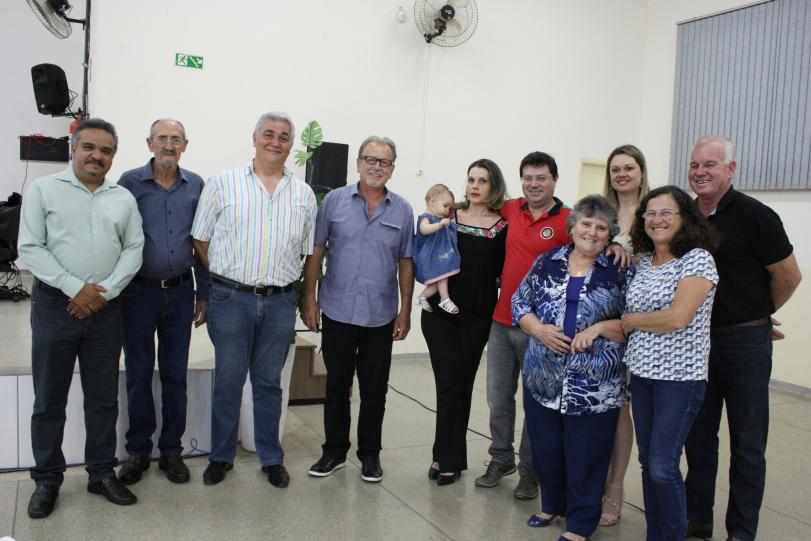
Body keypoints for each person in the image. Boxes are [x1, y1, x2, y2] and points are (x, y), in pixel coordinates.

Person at [19, 118, 145, 518]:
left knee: (103, 399)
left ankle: (101, 473)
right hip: (56, 306)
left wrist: (104, 291)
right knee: (49, 398)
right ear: (72, 149)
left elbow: (134, 248)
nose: (97, 156)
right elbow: (31, 247)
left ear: (113, 156)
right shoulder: (43, 190)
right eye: (89, 147)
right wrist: (76, 288)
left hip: (106, 308)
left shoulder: (122, 198)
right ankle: (47, 479)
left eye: (106, 150)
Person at [684, 136, 802, 541]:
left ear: (730, 169)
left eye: (710, 164)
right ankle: (697, 519)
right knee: (698, 438)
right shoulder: (686, 217)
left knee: (748, 444)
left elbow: (789, 276)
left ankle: (741, 531)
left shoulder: (757, 216)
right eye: (695, 164)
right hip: (697, 344)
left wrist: (757, 314)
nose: (700, 172)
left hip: (745, 346)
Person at [191, 112, 317, 488]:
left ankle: (271, 458)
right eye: (269, 134)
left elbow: (305, 250)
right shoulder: (223, 183)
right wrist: (226, 274)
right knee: (229, 380)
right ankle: (220, 457)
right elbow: (200, 237)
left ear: (291, 145)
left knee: (268, 383)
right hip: (232, 298)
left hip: (279, 302)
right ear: (255, 138)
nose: (275, 142)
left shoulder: (303, 194)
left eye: (284, 136)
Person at [513, 195, 633, 541]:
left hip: (595, 383)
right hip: (543, 376)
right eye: (586, 223)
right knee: (546, 449)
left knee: (586, 456)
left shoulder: (620, 270)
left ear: (610, 234)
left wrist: (600, 329)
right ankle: (552, 504)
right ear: (573, 226)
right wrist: (539, 330)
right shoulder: (547, 261)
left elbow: (634, 321)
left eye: (601, 227)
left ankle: (581, 522)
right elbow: (519, 302)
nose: (592, 232)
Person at [302, 135, 414, 483]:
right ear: (358, 163)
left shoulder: (403, 210)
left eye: (384, 162)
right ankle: (334, 452)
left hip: (380, 315)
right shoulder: (334, 202)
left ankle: (370, 455)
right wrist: (309, 298)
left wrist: (405, 310)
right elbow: (316, 250)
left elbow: (406, 261)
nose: (376, 167)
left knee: (374, 389)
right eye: (370, 159)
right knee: (336, 386)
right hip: (337, 310)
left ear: (392, 168)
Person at [621, 185, 720, 541]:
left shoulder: (697, 259)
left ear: (684, 218)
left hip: (680, 379)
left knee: (663, 467)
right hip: (642, 374)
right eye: (650, 213)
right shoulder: (644, 262)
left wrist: (632, 321)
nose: (657, 219)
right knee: (649, 462)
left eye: (666, 213)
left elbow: (678, 318)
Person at [116, 119, 209, 486]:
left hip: (181, 293)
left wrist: (204, 292)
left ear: (185, 145)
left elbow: (201, 241)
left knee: (174, 374)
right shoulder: (129, 183)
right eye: (162, 138)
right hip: (138, 294)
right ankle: (138, 451)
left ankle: (171, 450)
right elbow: (117, 236)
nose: (169, 145)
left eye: (176, 139)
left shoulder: (196, 185)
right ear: (149, 143)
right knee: (139, 374)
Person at [475, 151, 571, 499]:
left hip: (541, 329)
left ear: (554, 180)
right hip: (501, 322)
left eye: (541, 178)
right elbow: (476, 208)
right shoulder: (510, 209)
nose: (534, 184)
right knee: (498, 398)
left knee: (535, 403)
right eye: (528, 178)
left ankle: (530, 470)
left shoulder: (568, 220)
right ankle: (501, 458)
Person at [422, 160, 507, 485]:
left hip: (478, 314)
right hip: (440, 311)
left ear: (493, 185)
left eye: (482, 180)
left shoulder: (502, 226)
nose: (475, 186)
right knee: (448, 381)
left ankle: (445, 456)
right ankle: (448, 458)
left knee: (463, 384)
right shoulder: (449, 215)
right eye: (471, 179)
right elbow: (424, 241)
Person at [599, 143, 650, 526]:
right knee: (597, 406)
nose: (622, 174)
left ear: (641, 171)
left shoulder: (656, 212)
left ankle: (614, 488)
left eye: (628, 167)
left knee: (620, 408)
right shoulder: (600, 211)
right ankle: (591, 482)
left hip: (638, 322)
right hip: (599, 319)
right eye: (615, 169)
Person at [415, 183, 461, 314]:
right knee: (442, 276)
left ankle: (422, 297)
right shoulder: (426, 217)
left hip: (438, 256)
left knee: (438, 281)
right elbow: (424, 229)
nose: (448, 210)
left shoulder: (441, 219)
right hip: (430, 256)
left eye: (449, 208)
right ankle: (445, 299)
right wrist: (439, 225)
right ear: (433, 201)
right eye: (445, 206)